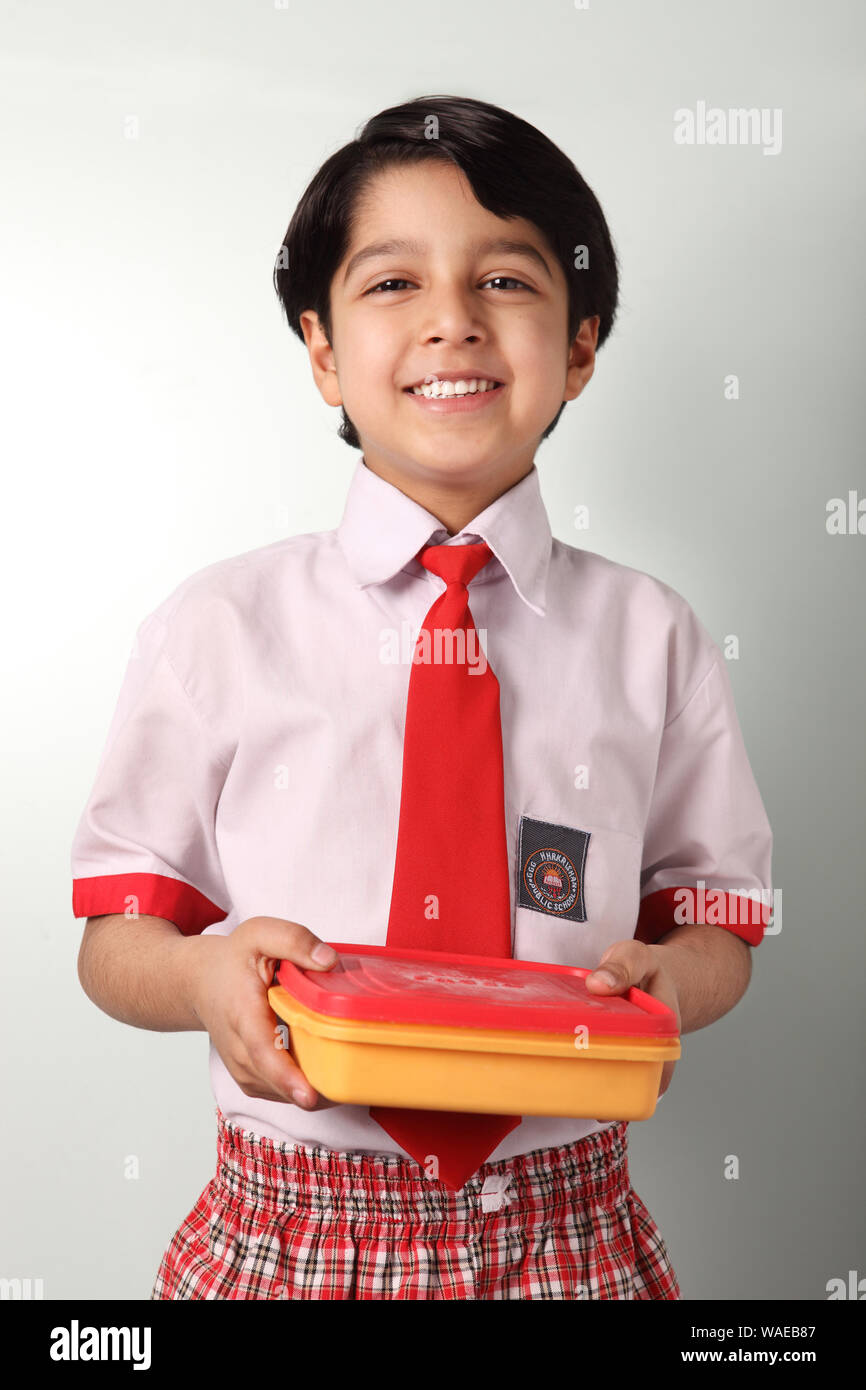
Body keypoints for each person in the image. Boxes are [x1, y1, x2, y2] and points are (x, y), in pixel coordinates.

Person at [72, 94, 773, 1300]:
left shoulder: (652, 635)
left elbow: (714, 918)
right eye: (392, 284)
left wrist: (677, 985)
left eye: (505, 281)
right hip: (288, 1228)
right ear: (323, 351)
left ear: (581, 345)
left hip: (568, 1232)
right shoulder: (218, 626)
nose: (451, 323)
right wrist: (201, 976)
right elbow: (114, 936)